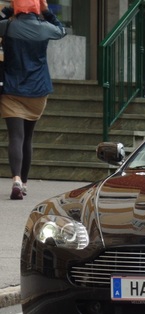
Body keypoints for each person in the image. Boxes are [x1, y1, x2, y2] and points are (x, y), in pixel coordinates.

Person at [0, 0, 65, 199]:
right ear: (37, 8)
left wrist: (8, 9)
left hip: (11, 88)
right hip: (37, 90)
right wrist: (47, 12)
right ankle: (25, 184)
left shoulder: (7, 26)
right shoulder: (45, 29)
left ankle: (17, 179)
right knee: (28, 137)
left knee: (16, 137)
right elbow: (61, 30)